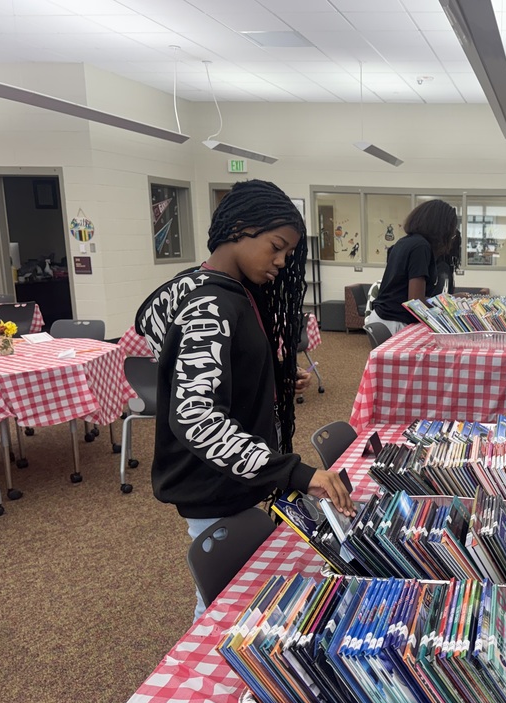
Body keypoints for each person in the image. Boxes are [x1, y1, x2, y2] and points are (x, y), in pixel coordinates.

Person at [135, 179, 352, 620]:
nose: (280, 261)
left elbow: (219, 375)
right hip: (215, 486)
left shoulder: (231, 293)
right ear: (238, 228)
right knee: (221, 606)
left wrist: (267, 382)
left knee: (234, 595)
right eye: (276, 246)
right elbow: (196, 416)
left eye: (288, 254)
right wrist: (292, 471)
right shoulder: (210, 305)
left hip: (236, 477)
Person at [365, 199, 459, 335]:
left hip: (382, 318)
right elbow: (415, 302)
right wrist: (447, 305)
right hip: (395, 322)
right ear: (441, 228)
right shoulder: (421, 247)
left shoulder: (405, 242)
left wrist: (449, 300)